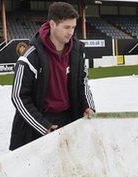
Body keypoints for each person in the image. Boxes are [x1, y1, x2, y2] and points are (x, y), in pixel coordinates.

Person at [9, 2, 95, 150]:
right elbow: (19, 97)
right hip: (38, 124)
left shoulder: (77, 52)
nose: (71, 32)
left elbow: (83, 83)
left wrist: (88, 106)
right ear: (53, 24)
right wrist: (43, 126)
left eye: (73, 27)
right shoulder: (31, 56)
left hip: (68, 119)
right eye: (66, 27)